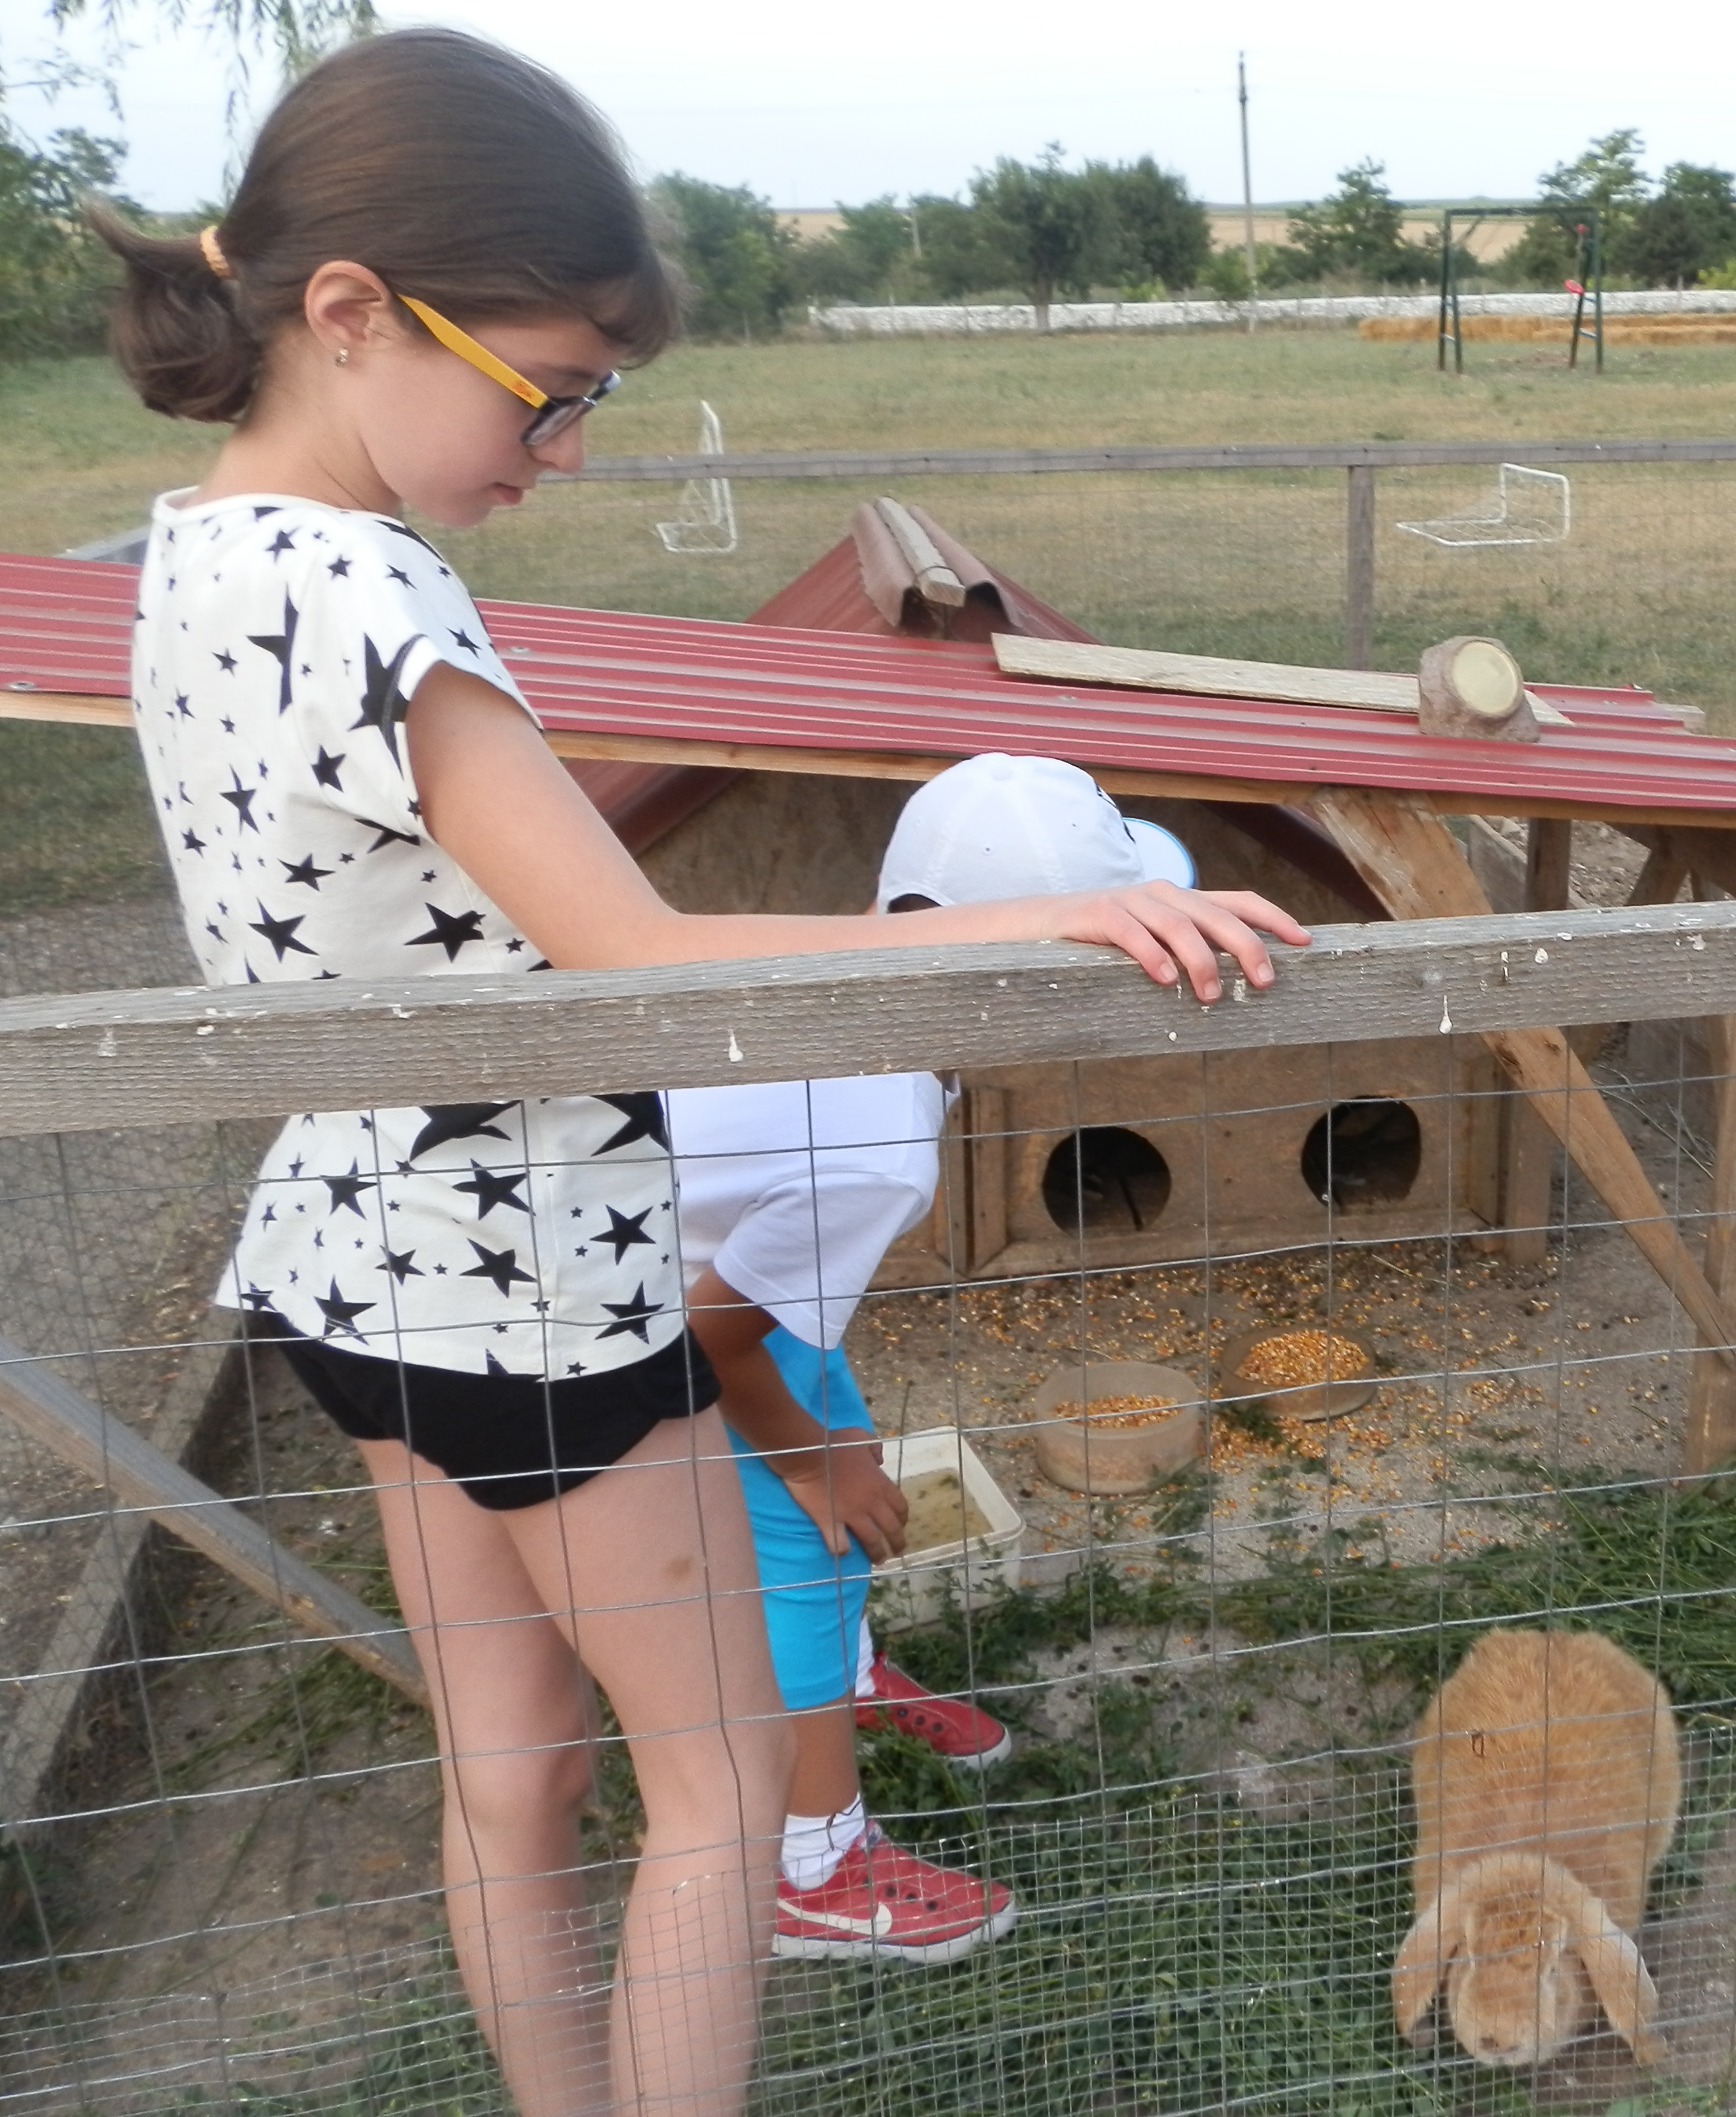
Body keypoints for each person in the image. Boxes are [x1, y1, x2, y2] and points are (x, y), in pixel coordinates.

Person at [90, 32, 1304, 2114]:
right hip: (533, 1280)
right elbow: (635, 952)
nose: (561, 451)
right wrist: (1043, 925)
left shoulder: (194, 554)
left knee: (510, 1774)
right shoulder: (373, 590)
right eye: (549, 390)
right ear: (354, 311)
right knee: (727, 1783)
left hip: (344, 1264)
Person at [669, 754, 1197, 1965]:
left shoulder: (866, 984)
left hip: (710, 1276)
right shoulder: (879, 1147)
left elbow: (758, 1291)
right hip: (636, 1321)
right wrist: (809, 1462)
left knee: (839, 1435)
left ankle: (844, 1676)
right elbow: (707, 1338)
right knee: (802, 1544)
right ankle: (813, 1862)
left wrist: (831, 1429)